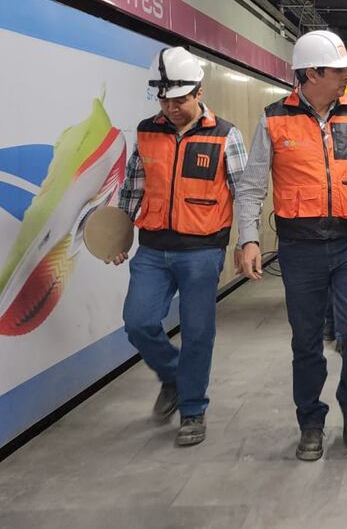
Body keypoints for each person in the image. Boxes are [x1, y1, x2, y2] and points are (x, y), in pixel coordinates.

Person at [234, 30, 347, 461]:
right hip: (300, 248)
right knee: (305, 341)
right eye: (338, 70)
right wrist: (248, 238)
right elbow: (250, 187)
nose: (346, 77)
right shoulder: (273, 119)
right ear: (311, 73)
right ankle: (310, 420)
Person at [113, 46, 246, 447]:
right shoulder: (147, 131)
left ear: (199, 93)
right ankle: (173, 376)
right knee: (138, 322)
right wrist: (118, 232)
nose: (171, 107)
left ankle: (192, 409)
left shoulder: (225, 135)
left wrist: (247, 240)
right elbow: (133, 186)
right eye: (165, 99)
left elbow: (247, 191)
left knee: (198, 331)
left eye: (180, 99)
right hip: (152, 248)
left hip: (202, 250)